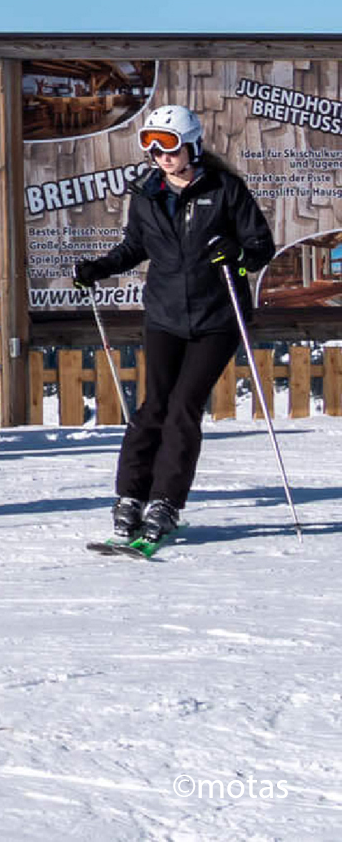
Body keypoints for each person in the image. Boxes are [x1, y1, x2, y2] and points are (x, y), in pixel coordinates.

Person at [73, 103, 274, 546]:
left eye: (169, 146)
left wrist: (235, 254)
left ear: (191, 146)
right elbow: (134, 247)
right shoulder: (147, 194)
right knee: (154, 406)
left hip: (217, 317)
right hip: (164, 315)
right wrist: (99, 268)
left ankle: (166, 501)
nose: (161, 156)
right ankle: (130, 497)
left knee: (184, 406)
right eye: (152, 147)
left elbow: (260, 246)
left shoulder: (225, 190)